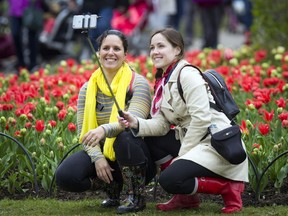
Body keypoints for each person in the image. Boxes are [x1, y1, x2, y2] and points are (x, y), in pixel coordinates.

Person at [118, 28, 249, 214]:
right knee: (152, 140)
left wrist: (183, 155)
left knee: (170, 180)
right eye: (152, 47)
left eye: (161, 46)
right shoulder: (163, 80)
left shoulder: (187, 74)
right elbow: (162, 125)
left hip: (215, 142)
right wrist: (136, 123)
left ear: (177, 50)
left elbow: (202, 119)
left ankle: (227, 187)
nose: (155, 51)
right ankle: (186, 199)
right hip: (193, 138)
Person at [55, 30, 156, 214]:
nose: (111, 52)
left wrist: (103, 129)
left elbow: (133, 121)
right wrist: (98, 158)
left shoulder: (137, 84)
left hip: (135, 155)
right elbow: (83, 132)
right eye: (105, 48)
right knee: (65, 176)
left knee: (124, 138)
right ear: (98, 53)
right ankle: (112, 190)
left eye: (117, 48)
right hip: (105, 155)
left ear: (125, 55)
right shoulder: (88, 87)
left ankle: (136, 197)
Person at [6, 0, 47, 72]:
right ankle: (21, 64)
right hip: (15, 9)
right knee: (16, 36)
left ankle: (33, 64)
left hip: (31, 7)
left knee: (32, 38)